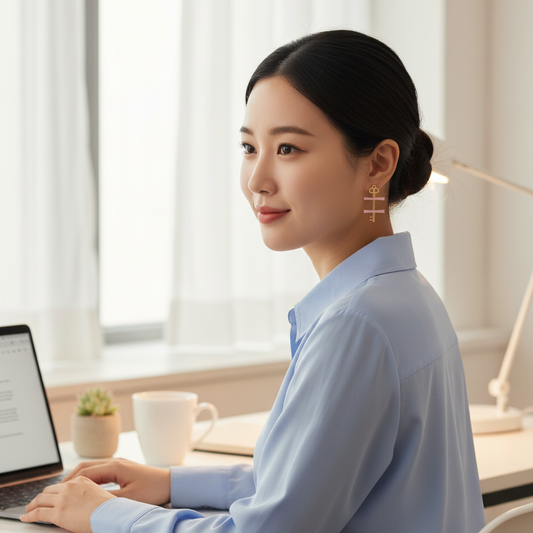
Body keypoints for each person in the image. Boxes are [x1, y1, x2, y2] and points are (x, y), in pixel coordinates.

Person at [21, 30, 486, 533]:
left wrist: (104, 514)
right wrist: (171, 481)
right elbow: (305, 482)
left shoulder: (358, 324)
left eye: (287, 148)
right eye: (248, 147)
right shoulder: (407, 296)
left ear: (378, 163)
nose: (257, 179)